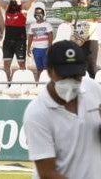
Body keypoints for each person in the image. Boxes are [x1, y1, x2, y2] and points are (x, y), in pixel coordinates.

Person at [23, 40, 101, 178]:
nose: (71, 81)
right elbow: (47, 173)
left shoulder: (93, 89)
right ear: (50, 71)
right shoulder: (37, 114)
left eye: (76, 76)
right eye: (65, 75)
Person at [28, 6, 54, 73]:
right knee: (39, 68)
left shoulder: (47, 24)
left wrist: (49, 47)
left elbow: (50, 36)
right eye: (35, 13)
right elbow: (30, 37)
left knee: (47, 68)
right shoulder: (32, 25)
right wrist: (28, 48)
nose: (37, 14)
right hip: (36, 49)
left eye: (39, 13)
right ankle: (39, 81)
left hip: (45, 49)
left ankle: (47, 81)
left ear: (43, 14)